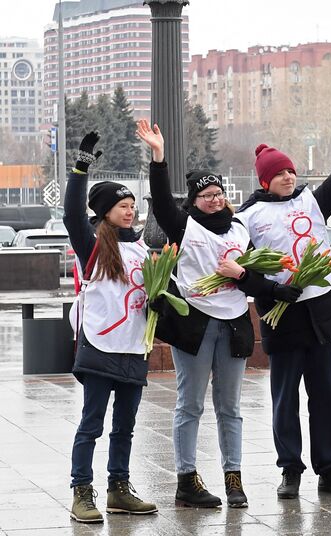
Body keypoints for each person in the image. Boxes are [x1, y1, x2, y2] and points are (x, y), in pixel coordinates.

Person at [237, 96, 331, 499]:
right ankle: (290, 469)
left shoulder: (311, 201)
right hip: (282, 313)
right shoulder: (248, 217)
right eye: (280, 174)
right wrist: (275, 289)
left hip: (320, 309)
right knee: (285, 397)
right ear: (264, 180)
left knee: (326, 393)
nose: (289, 177)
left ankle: (330, 468)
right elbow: (243, 271)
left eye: (291, 171)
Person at [137, 119, 263, 509]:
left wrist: (242, 275)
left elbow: (255, 274)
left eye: (218, 192)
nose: (214, 198)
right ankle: (186, 478)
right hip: (194, 324)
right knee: (189, 404)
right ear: (193, 201)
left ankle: (234, 477)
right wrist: (159, 158)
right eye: (206, 194)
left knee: (230, 408)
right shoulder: (185, 226)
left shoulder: (240, 229)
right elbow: (160, 202)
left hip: (234, 324)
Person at [64, 132, 157, 523]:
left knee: (126, 427)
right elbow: (71, 214)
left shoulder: (139, 246)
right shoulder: (93, 244)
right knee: (92, 424)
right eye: (122, 205)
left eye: (133, 205)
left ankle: (120, 488)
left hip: (134, 346)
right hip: (101, 344)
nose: (130, 211)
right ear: (105, 211)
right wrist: (81, 167)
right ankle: (82, 491)